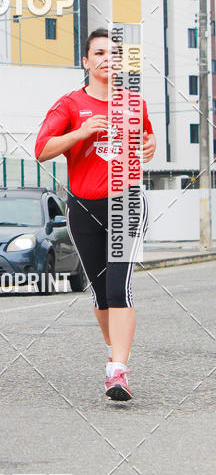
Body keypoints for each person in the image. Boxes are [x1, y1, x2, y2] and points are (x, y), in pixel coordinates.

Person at [35, 28, 156, 402]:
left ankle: (117, 370)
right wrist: (81, 132)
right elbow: (42, 149)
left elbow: (146, 140)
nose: (107, 59)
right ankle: (113, 351)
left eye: (114, 53)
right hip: (84, 207)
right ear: (86, 62)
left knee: (120, 287)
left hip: (126, 201)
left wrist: (149, 145)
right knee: (102, 294)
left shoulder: (134, 103)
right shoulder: (69, 105)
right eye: (99, 53)